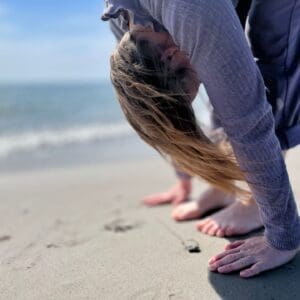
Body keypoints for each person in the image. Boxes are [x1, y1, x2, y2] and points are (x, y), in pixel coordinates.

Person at [102, 0, 300, 278]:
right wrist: (183, 175)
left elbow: (247, 121)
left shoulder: (191, 12)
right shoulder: (123, 23)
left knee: (268, 52)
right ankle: (224, 186)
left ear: (171, 54)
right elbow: (161, 115)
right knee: (215, 64)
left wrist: (283, 238)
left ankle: (254, 203)